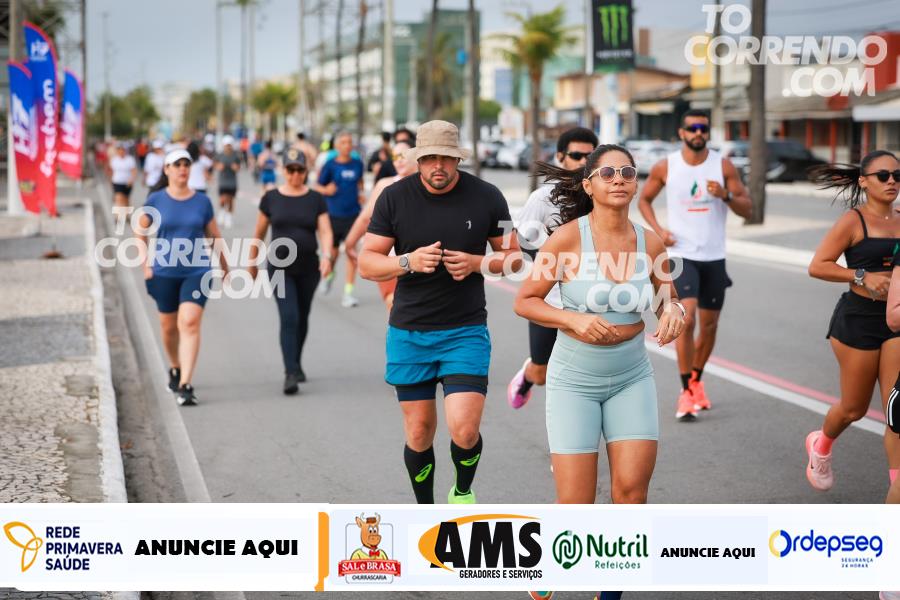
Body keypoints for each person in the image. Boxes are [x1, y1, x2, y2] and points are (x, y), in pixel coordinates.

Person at [359, 120, 522, 504]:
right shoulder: (394, 198)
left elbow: (514, 259)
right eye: (430, 158)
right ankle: (426, 511)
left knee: (464, 429)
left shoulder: (487, 196)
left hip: (464, 331)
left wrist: (478, 263)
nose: (438, 166)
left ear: (458, 159)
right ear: (417, 159)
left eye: (446, 158)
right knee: (418, 432)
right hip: (409, 332)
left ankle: (462, 491)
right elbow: (367, 262)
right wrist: (407, 262)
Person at [514, 144, 685, 507]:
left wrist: (674, 312)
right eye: (607, 173)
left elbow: (667, 299)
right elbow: (525, 301)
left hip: (632, 377)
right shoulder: (566, 239)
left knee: (632, 496)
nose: (618, 180)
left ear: (635, 184)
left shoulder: (651, 244)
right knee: (576, 504)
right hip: (574, 381)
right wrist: (572, 318)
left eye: (627, 173)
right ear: (589, 186)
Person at [638, 109, 752, 421]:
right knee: (686, 320)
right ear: (682, 132)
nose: (698, 132)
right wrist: (658, 231)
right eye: (693, 128)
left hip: (714, 256)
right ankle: (686, 390)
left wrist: (725, 195)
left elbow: (747, 209)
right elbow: (644, 199)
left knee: (710, 325)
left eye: (703, 127)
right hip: (681, 254)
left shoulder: (723, 165)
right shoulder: (666, 166)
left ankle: (696, 380)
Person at [805, 150, 900, 492]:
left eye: (898, 176)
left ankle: (896, 488)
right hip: (858, 320)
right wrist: (861, 275)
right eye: (883, 176)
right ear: (863, 181)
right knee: (853, 408)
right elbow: (818, 266)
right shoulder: (853, 221)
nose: (892, 181)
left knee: (895, 412)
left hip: (896, 324)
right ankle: (821, 445)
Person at [508, 126, 599, 409]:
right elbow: (523, 242)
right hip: (550, 302)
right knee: (541, 373)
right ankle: (529, 374)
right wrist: (554, 260)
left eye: (590, 157)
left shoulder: (603, 194)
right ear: (560, 156)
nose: (583, 162)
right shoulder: (542, 198)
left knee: (584, 377)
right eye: (576, 155)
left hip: (591, 303)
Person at [136, 149, 229, 406]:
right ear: (167, 169)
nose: (182, 169)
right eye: (176, 164)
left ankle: (186, 384)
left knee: (189, 322)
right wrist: (146, 265)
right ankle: (175, 366)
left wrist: (225, 266)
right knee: (168, 327)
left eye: (186, 164)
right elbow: (140, 232)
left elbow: (214, 236)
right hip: (163, 272)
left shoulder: (202, 201)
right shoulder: (155, 200)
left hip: (197, 271)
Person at [249, 149, 333, 394]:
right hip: (279, 268)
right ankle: (290, 373)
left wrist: (327, 256)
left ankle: (296, 362)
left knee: (302, 316)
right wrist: (251, 262)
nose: (295, 174)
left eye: (300, 169)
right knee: (289, 317)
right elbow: (259, 233)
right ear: (283, 170)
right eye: (291, 169)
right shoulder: (271, 198)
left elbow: (325, 231)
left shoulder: (316, 199)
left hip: (308, 268)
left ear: (306, 171)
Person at [345, 139, 417, 311]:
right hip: (391, 259)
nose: (398, 160)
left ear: (415, 156)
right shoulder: (385, 185)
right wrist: (349, 243)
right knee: (394, 304)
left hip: (424, 259)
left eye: (403, 156)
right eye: (395, 157)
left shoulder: (429, 184)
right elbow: (365, 218)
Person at [315, 131, 366, 308]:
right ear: (337, 146)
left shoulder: (358, 164)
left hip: (353, 215)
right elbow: (317, 186)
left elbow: (360, 182)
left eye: (349, 142)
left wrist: (360, 194)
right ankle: (329, 275)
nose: (347, 145)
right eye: (343, 142)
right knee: (333, 254)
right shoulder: (330, 165)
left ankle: (348, 293)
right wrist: (326, 190)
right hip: (333, 215)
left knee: (351, 253)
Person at [215, 135, 241, 229]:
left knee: (230, 199)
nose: (228, 147)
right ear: (224, 145)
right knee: (222, 199)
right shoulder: (220, 155)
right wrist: (220, 166)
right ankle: (222, 212)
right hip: (223, 181)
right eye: (226, 145)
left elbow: (238, 168)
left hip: (232, 181)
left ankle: (229, 217)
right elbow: (216, 165)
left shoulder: (236, 156)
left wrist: (235, 167)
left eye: (229, 145)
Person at [107, 143, 137, 209]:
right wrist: (110, 180)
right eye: (119, 150)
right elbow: (111, 171)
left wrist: (132, 179)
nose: (121, 151)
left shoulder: (130, 159)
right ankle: (119, 214)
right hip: (117, 182)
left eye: (122, 150)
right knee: (119, 198)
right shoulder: (114, 160)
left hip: (127, 182)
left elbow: (133, 170)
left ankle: (127, 213)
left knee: (126, 199)